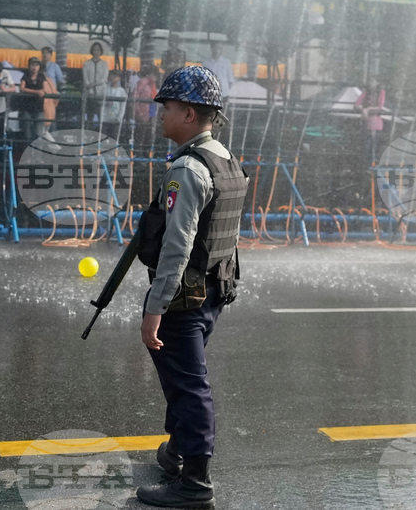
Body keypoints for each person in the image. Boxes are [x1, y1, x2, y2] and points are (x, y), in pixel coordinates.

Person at [134, 66, 248, 509]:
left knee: (188, 385)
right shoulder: (224, 157)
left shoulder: (188, 167)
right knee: (184, 377)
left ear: (188, 112)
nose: (159, 113)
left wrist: (154, 307)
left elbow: (177, 247)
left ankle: (194, 483)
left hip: (185, 297)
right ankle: (177, 451)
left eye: (166, 106)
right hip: (213, 292)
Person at [354, 81, 386, 166]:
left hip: (377, 124)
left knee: (374, 145)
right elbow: (356, 104)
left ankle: (372, 163)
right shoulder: (366, 94)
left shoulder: (381, 93)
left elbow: (380, 107)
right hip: (368, 124)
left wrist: (367, 109)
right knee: (367, 146)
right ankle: (368, 164)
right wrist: (363, 109)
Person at [18, 58, 49, 141]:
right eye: (32, 65)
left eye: (36, 65)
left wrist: (41, 91)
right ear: (29, 66)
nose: (34, 67)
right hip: (26, 107)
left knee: (38, 133)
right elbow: (22, 88)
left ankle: (38, 153)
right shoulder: (26, 75)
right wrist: (36, 92)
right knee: (27, 134)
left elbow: (45, 89)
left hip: (38, 107)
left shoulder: (41, 76)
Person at [83, 42, 110, 129]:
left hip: (101, 92)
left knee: (101, 115)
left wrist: (95, 84)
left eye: (98, 49)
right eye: (94, 49)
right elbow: (85, 77)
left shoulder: (104, 64)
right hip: (89, 92)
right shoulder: (87, 63)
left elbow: (104, 78)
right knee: (89, 115)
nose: (96, 51)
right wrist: (88, 85)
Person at [134, 66, 159, 150]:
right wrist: (138, 111)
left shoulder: (152, 84)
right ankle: (138, 153)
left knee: (148, 134)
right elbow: (135, 97)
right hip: (143, 111)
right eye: (154, 75)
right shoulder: (142, 82)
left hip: (151, 111)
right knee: (141, 133)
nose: (155, 78)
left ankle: (146, 153)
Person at [100, 71, 128, 142]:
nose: (112, 78)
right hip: (105, 117)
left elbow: (123, 106)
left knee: (114, 137)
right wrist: (106, 103)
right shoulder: (105, 89)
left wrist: (119, 117)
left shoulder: (121, 91)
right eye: (111, 77)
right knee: (103, 136)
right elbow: (100, 101)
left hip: (116, 118)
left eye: (114, 77)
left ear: (118, 78)